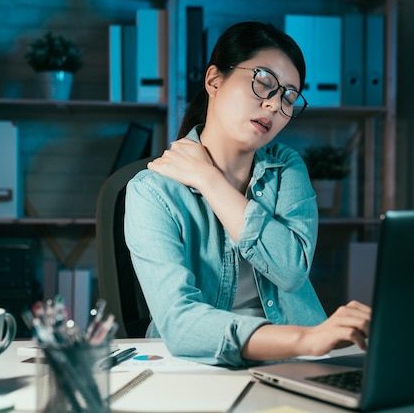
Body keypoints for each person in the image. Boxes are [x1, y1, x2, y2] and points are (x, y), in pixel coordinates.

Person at [124, 21, 370, 367]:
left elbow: (290, 272)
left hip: (298, 363)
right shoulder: (151, 192)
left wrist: (209, 180)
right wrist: (305, 338)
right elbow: (180, 324)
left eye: (288, 96)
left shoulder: (286, 169)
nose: (273, 105)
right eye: (264, 83)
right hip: (202, 367)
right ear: (214, 80)